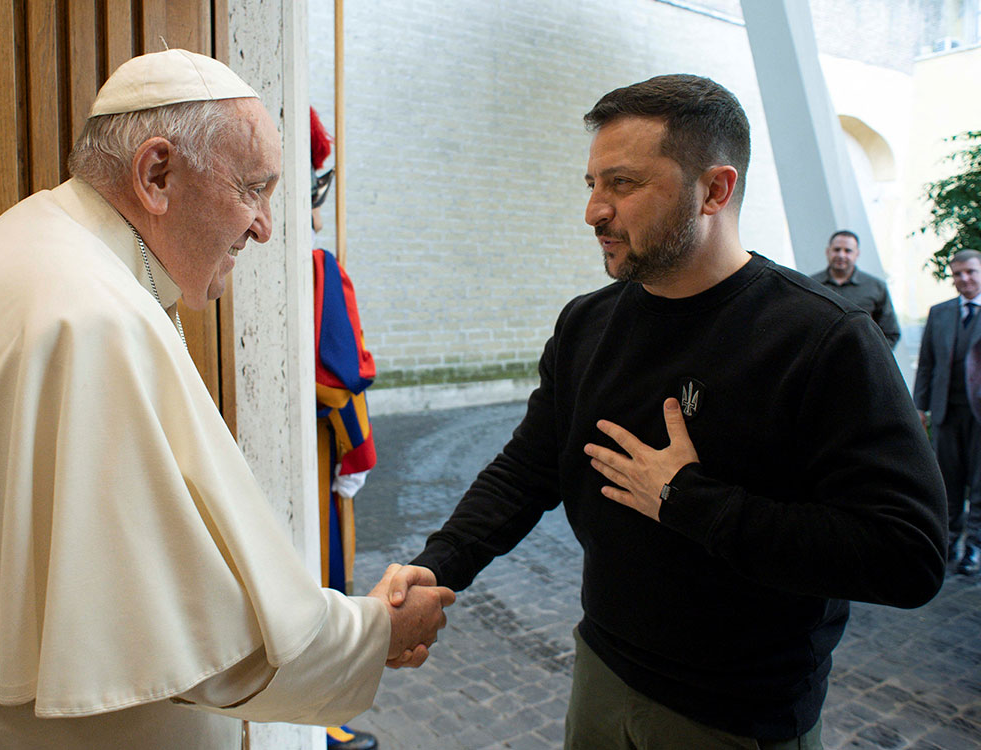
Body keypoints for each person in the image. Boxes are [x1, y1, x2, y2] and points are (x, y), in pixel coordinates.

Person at [0, 49, 453, 749]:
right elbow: (199, 633)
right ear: (156, 174)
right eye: (253, 189)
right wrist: (374, 633)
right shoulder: (93, 316)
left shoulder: (41, 239)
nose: (264, 226)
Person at [389, 74, 946, 749]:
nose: (594, 211)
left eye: (622, 184)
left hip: (739, 715)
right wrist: (439, 565)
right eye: (591, 184)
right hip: (602, 671)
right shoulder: (587, 324)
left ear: (715, 190)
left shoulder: (823, 339)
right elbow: (529, 468)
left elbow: (908, 555)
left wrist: (688, 500)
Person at [309, 105, 381, 750]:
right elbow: (342, 376)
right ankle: (323, 717)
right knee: (321, 575)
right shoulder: (317, 267)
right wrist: (358, 451)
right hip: (310, 452)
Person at [914, 249, 981, 575]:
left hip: (979, 415)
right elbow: (927, 363)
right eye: (957, 273)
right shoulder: (939, 313)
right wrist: (920, 406)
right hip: (945, 412)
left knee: (980, 483)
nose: (964, 279)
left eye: (970, 271)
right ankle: (949, 539)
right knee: (946, 481)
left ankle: (974, 547)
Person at [810, 229, 901, 348]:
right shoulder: (811, 285)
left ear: (857, 254)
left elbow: (890, 333)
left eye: (848, 251)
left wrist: (871, 355)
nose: (841, 255)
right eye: (837, 249)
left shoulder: (876, 287)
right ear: (828, 251)